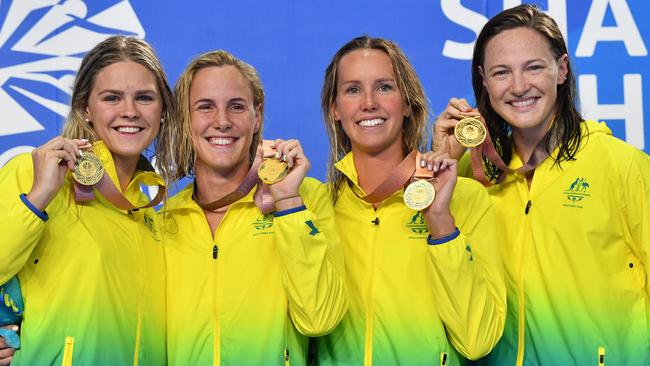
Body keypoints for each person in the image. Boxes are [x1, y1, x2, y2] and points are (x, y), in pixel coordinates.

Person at [434, 4, 650, 365]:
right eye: (501, 72)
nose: (519, 87)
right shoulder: (472, 178)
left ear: (561, 70)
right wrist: (441, 158)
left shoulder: (623, 165)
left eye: (533, 67)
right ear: (484, 82)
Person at [315, 35, 506, 365]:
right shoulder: (318, 207)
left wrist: (442, 225)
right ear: (335, 109)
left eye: (385, 87)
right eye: (352, 90)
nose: (369, 102)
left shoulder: (466, 198)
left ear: (407, 103)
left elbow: (478, 340)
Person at [156, 50, 347, 365]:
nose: (222, 121)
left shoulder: (305, 197)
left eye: (237, 106)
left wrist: (287, 203)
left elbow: (319, 318)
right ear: (184, 119)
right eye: (205, 107)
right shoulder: (165, 221)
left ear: (256, 116)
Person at [0, 36, 174, 365]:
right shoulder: (37, 173)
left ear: (163, 111)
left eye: (145, 98)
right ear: (85, 108)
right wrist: (38, 197)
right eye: (112, 98)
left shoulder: (153, 215)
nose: (130, 111)